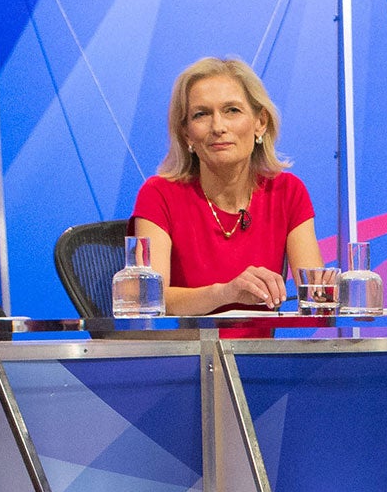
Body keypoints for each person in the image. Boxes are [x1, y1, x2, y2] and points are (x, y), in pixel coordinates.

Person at [132, 58, 322, 318]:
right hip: (184, 355)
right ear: (186, 133)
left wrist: (339, 290)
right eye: (201, 114)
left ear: (260, 122)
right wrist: (225, 293)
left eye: (232, 110)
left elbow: (314, 293)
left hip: (259, 357)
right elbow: (150, 299)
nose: (218, 127)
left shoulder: (287, 192)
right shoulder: (159, 195)